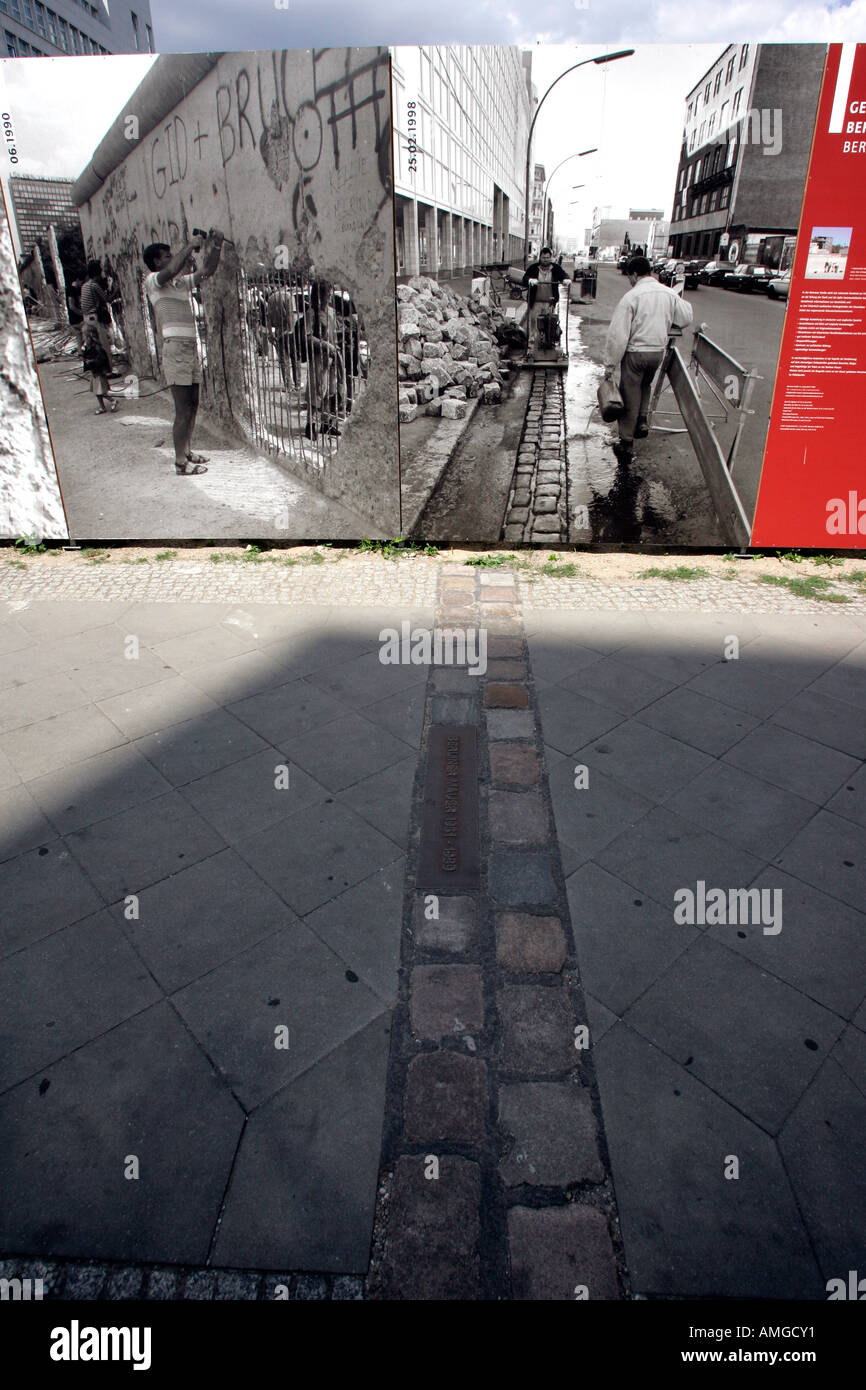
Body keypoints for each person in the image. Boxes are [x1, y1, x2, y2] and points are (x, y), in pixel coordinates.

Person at [142, 229, 224, 475]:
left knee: (193, 403)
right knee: (182, 408)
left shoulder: (179, 283)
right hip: (175, 347)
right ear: (157, 262)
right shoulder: (153, 281)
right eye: (167, 255)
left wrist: (216, 246)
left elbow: (207, 271)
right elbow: (171, 269)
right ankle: (180, 462)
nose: (171, 258)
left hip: (189, 346)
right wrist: (189, 246)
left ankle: (186, 451)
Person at [603, 254, 693, 462]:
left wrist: (610, 364)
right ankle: (642, 420)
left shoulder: (632, 297)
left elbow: (618, 334)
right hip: (657, 352)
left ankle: (626, 443)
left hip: (636, 353)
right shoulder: (668, 293)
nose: (630, 281)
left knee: (628, 394)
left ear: (635, 274)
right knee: (646, 385)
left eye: (630, 277)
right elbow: (686, 317)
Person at [521, 246, 570, 353]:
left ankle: (548, 346)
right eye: (543, 258)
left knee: (549, 324)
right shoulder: (533, 268)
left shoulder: (555, 268)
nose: (545, 260)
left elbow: (564, 275)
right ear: (540, 257)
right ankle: (531, 349)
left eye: (547, 258)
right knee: (534, 325)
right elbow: (524, 279)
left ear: (551, 258)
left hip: (550, 303)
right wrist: (530, 280)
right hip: (535, 303)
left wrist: (566, 280)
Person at [82, 319, 118, 415]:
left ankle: (112, 400)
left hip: (98, 372)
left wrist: (90, 362)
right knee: (97, 392)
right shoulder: (89, 347)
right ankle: (102, 407)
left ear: (90, 336)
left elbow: (100, 360)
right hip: (95, 372)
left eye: (85, 336)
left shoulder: (97, 347)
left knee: (100, 391)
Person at [80, 260, 114, 360]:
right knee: (105, 345)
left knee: (95, 347)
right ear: (98, 272)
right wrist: (116, 290)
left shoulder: (84, 286)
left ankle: (100, 371)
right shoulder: (94, 285)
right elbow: (107, 299)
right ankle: (109, 370)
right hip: (95, 318)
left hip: (87, 319)